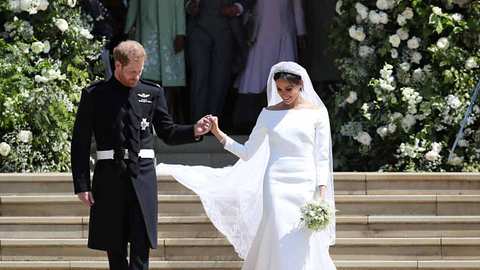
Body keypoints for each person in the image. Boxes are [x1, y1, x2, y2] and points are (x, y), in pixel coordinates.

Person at [157, 61, 336, 269]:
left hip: (306, 182)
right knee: (277, 227)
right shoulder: (268, 114)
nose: (284, 93)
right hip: (276, 183)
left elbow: (322, 157)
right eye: (279, 89)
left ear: (301, 85)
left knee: (303, 235)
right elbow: (247, 152)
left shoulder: (317, 113)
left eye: (289, 89)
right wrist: (218, 133)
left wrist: (321, 195)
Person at [71, 40, 211, 270]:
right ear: (117, 65)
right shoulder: (95, 95)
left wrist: (194, 130)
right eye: (131, 72)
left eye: (140, 71)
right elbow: (80, 143)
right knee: (114, 245)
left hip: (143, 175)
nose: (136, 77)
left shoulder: (152, 92)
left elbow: (168, 131)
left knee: (140, 243)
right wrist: (82, 184)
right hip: (109, 176)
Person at [186, 0, 255, 122]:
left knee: (220, 79)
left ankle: (213, 124)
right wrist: (188, 5)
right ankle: (197, 123)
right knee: (199, 77)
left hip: (227, 26)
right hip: (198, 26)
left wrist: (238, 7)